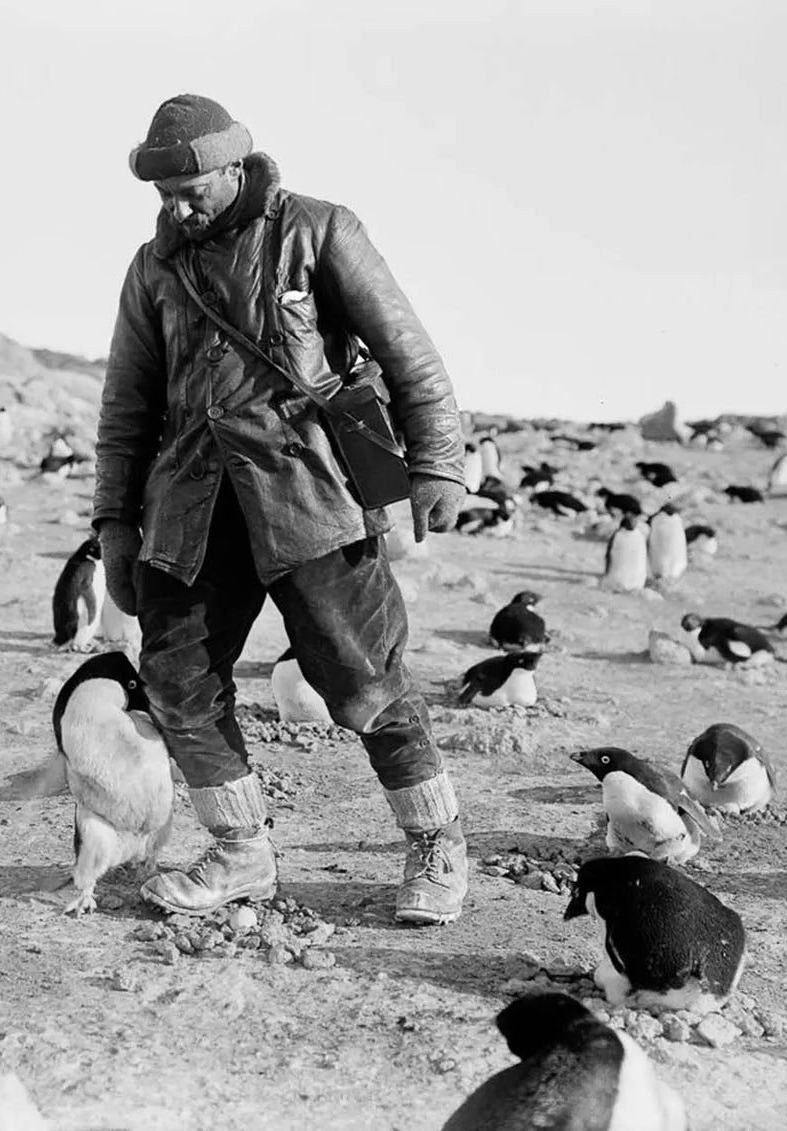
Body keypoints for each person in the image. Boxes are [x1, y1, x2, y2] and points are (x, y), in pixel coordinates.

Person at [93, 94, 469, 926]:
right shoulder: (151, 269)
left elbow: (410, 354)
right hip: (193, 509)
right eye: (163, 193)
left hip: (312, 494)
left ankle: (436, 842)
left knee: (364, 680)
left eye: (190, 187)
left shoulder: (320, 230)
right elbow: (125, 409)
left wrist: (437, 461)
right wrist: (115, 524)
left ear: (235, 167)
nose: (176, 205)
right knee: (178, 682)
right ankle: (239, 853)